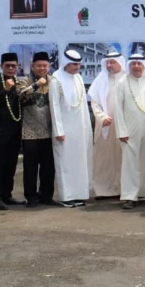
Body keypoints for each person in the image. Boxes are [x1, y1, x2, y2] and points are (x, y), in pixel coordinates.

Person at [115, 54, 145, 208]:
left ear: (144, 65)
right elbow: (117, 108)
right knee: (130, 163)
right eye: (133, 64)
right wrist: (121, 131)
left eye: (139, 64)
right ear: (129, 65)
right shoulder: (122, 82)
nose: (136, 67)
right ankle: (130, 196)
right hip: (129, 130)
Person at [51, 49, 92, 207]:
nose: (77, 67)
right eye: (74, 64)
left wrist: (86, 128)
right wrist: (59, 130)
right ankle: (66, 197)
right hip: (64, 131)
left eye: (79, 64)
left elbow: (82, 105)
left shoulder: (79, 78)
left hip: (79, 129)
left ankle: (79, 194)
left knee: (79, 162)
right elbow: (54, 107)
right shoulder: (56, 80)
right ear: (66, 63)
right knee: (65, 162)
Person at [0, 52, 25, 210]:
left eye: (13, 66)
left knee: (11, 165)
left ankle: (7, 195)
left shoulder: (19, 83)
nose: (10, 68)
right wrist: (5, 90)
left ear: (18, 67)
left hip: (15, 131)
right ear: (1, 67)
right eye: (7, 66)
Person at [18, 52, 55, 207]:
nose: (41, 68)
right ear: (32, 66)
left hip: (49, 132)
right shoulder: (24, 80)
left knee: (48, 167)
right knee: (30, 168)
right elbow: (20, 95)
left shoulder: (54, 81)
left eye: (44, 65)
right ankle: (31, 197)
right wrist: (36, 85)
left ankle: (46, 196)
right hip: (30, 132)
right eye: (38, 65)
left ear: (49, 66)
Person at [88, 51, 124, 198]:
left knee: (123, 157)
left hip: (123, 126)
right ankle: (104, 189)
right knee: (104, 158)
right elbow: (95, 103)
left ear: (120, 63)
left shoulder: (127, 79)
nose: (109, 65)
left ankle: (124, 189)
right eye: (107, 62)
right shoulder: (100, 80)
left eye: (113, 62)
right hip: (105, 125)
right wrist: (102, 117)